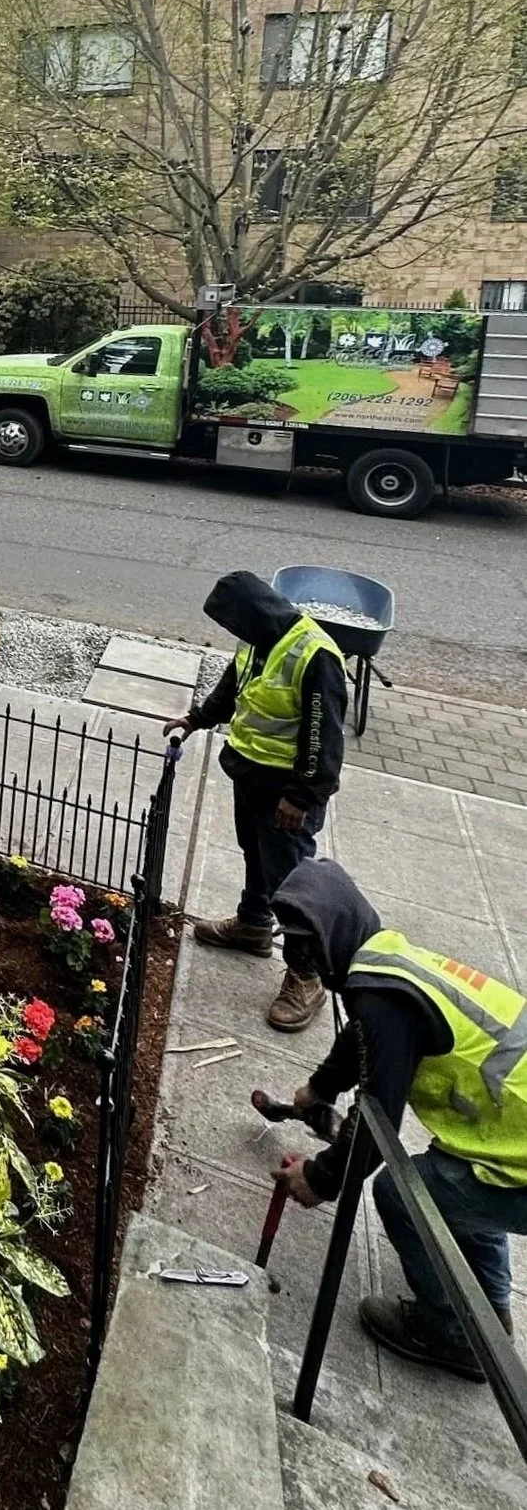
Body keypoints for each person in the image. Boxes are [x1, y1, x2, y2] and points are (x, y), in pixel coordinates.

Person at [267, 858, 527, 1381]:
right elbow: (363, 1034)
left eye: (304, 947)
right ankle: (489, 1307)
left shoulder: (381, 1000)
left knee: (404, 1192)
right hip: (507, 1136)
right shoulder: (388, 959)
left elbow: (374, 1123)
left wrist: (320, 1178)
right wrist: (319, 1088)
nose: (300, 960)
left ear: (329, 938)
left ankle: (455, 1336)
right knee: (461, 1178)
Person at [169, 571, 346, 1032]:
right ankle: (252, 924)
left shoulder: (315, 655)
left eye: (233, 625)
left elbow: (324, 738)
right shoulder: (257, 638)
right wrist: (196, 719)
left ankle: (307, 977)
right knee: (256, 856)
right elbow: (233, 687)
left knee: (291, 883)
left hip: (287, 794)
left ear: (255, 612)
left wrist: (302, 797)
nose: (233, 635)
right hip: (249, 774)